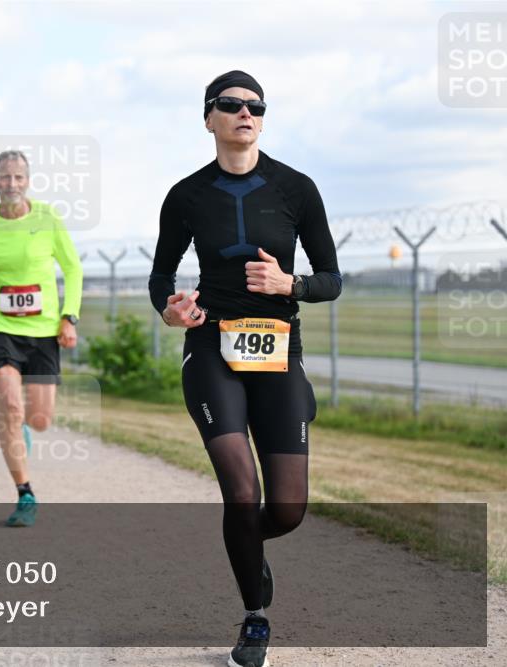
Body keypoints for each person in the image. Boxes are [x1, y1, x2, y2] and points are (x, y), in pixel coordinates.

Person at [149, 71, 342, 667]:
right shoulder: (186, 195)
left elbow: (331, 279)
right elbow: (161, 275)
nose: (245, 113)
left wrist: (291, 284)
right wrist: (171, 310)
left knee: (286, 510)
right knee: (241, 493)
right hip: (212, 346)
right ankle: (255, 617)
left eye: (256, 106)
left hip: (278, 348)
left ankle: (247, 546)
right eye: (231, 105)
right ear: (209, 118)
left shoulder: (297, 188)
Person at [0, 150, 83, 528]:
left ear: (28, 181)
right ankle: (25, 493)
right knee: (10, 407)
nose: (11, 183)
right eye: (4, 177)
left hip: (43, 330)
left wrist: (69, 317)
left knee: (40, 419)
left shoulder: (48, 218)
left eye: (18, 177)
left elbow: (73, 269)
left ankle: (23, 424)